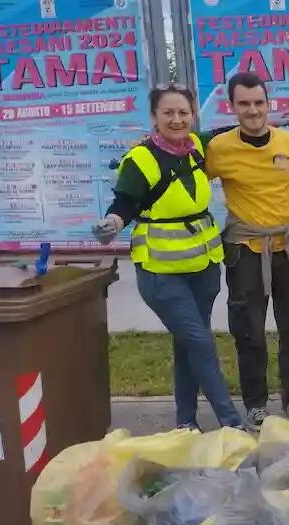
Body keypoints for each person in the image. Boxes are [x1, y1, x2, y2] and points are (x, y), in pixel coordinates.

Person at [93, 84, 242, 431]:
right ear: (154, 117)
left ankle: (186, 424)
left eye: (183, 113)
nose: (177, 120)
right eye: (168, 113)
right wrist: (112, 223)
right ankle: (233, 426)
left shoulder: (196, 147)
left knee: (187, 345)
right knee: (201, 344)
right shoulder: (140, 159)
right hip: (161, 273)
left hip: (203, 268)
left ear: (192, 115)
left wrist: (264, 123)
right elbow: (125, 204)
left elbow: (222, 133)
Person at [207, 72, 289, 428]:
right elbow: (193, 182)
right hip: (245, 249)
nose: (253, 110)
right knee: (250, 331)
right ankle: (256, 405)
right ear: (232, 107)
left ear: (268, 103)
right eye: (244, 104)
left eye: (259, 103)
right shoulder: (219, 149)